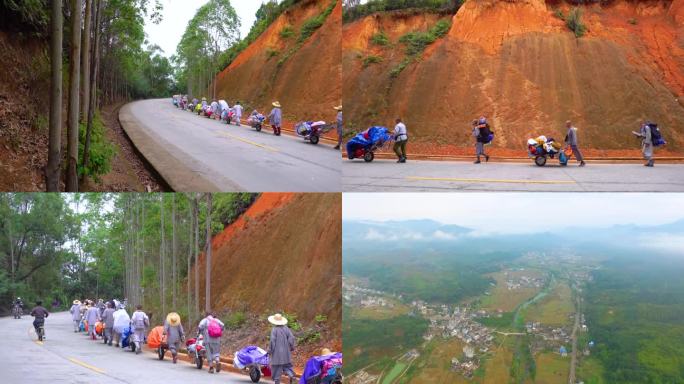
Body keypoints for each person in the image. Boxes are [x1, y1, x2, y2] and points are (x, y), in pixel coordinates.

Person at [268, 313, 296, 384]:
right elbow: (291, 338)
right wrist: (291, 347)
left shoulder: (274, 330)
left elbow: (272, 341)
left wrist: (270, 350)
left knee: (277, 368)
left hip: (277, 354)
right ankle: (291, 376)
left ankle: (277, 382)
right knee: (287, 366)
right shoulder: (286, 328)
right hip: (286, 353)